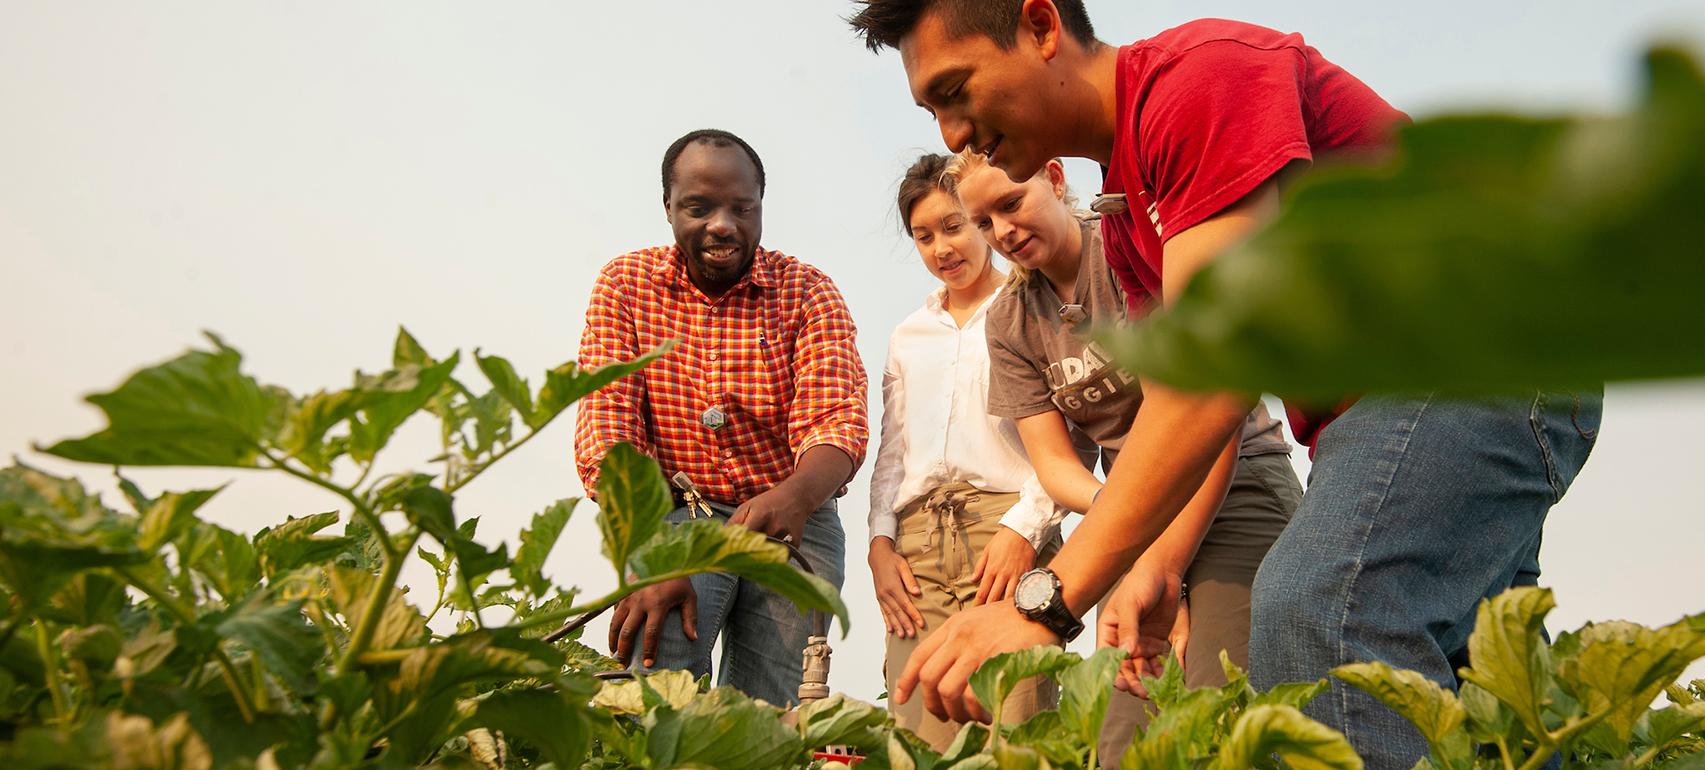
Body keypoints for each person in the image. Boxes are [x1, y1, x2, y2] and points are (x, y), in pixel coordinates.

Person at [847, 3, 1601, 766]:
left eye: (954, 90)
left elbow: (1209, 387)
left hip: (1470, 357)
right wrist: (1163, 565)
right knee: (1493, 699)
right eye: (931, 110)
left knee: (1320, 613)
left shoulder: (1199, 77)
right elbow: (1202, 408)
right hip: (1394, 410)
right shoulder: (1135, 221)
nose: (952, 133)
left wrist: (1048, 601)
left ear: (1042, 27)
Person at [946, 149, 1301, 764]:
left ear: (1055, 178)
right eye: (983, 222)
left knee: (1223, 698)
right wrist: (1134, 513)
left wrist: (1166, 561)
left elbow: (1206, 413)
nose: (1002, 231)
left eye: (1011, 203)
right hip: (1130, 509)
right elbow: (1057, 468)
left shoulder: (1129, 249)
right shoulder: (1008, 322)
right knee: (1126, 722)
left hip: (1235, 476)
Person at [574, 128, 868, 707]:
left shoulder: (808, 291)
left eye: (742, 207)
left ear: (761, 205)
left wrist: (797, 496)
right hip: (673, 515)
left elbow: (836, 419)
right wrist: (651, 554)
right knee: (656, 687)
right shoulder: (626, 285)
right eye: (699, 207)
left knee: (770, 711)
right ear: (668, 209)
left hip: (794, 517)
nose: (722, 225)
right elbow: (609, 429)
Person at [867, 153, 1068, 747]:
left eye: (954, 226)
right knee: (917, 732)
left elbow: (1068, 438)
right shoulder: (909, 335)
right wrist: (881, 544)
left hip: (1003, 536)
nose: (941, 249)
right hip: (919, 550)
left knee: (1016, 728)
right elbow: (893, 451)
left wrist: (1025, 530)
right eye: (923, 236)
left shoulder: (1031, 308)